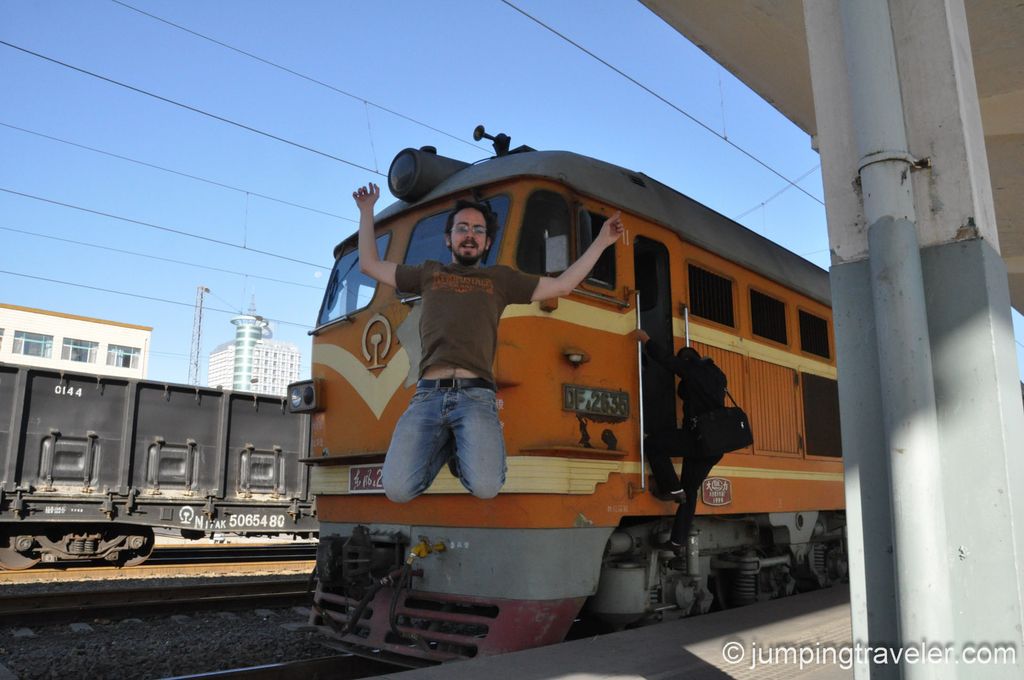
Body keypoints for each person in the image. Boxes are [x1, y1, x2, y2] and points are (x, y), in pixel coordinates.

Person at [354, 182, 624, 502]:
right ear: (449, 238)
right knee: (397, 490)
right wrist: (367, 211)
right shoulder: (428, 274)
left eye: (478, 230)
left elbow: (563, 285)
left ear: (487, 243)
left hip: (476, 396)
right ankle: (448, 444)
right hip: (427, 397)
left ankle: (461, 452)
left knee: (486, 487)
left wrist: (602, 242)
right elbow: (370, 264)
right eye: (463, 228)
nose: (470, 234)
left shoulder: (500, 280)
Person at [632, 329, 727, 551]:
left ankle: (672, 488)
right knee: (690, 490)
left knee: (654, 444)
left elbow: (668, 361)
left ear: (687, 361)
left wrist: (647, 340)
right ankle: (677, 541)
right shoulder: (718, 375)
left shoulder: (694, 370)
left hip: (699, 438)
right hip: (716, 445)